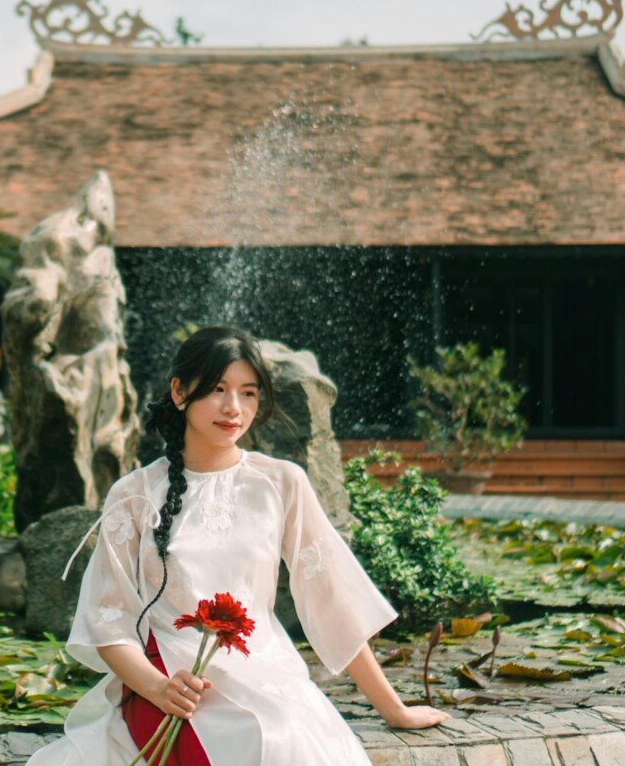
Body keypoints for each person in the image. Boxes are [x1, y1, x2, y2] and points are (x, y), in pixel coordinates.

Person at [27, 327, 449, 765]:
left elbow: (334, 603)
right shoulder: (135, 494)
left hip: (267, 675)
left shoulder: (282, 483)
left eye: (248, 393)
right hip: (173, 678)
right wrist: (157, 688)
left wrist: (393, 709)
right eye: (216, 389)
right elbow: (108, 620)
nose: (234, 408)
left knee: (286, 739)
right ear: (179, 391)